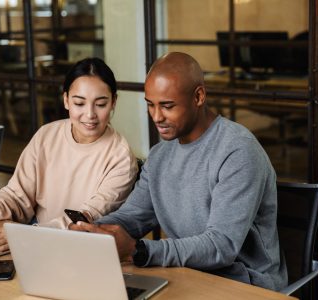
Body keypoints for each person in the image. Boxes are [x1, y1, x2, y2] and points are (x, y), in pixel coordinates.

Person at [72, 52, 288, 291]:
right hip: (186, 274)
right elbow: (132, 217)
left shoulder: (239, 151)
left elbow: (222, 246)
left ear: (199, 96)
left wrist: (138, 250)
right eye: (150, 105)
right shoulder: (159, 156)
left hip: (245, 284)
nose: (156, 116)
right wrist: (92, 231)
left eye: (167, 106)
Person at [0, 57, 138, 255]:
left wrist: (23, 236)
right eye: (79, 103)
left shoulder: (121, 157)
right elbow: (16, 194)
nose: (90, 114)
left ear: (113, 103)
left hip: (81, 252)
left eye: (101, 104)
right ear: (66, 100)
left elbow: (86, 219)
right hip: (35, 239)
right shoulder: (47, 135)